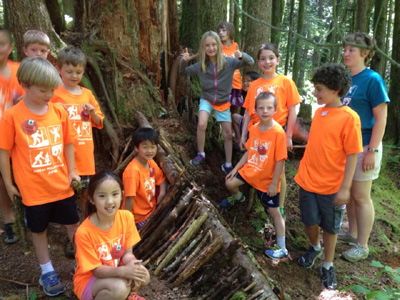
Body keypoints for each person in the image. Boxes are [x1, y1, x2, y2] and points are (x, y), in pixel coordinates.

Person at [0, 57, 81, 296]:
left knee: (72, 224)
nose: (49, 94)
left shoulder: (58, 111)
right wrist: (8, 182)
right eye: (43, 89)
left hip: (61, 185)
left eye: (52, 89)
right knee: (38, 229)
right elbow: (4, 153)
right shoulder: (11, 117)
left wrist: (72, 170)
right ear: (24, 84)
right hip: (33, 190)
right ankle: (47, 271)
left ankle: (82, 263)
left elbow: (68, 143)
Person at [294, 64, 363, 289]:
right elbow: (319, 141)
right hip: (307, 179)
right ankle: (315, 247)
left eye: (319, 89)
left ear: (336, 89)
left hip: (331, 186)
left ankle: (328, 265)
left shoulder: (349, 118)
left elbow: (353, 154)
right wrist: (302, 135)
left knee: (330, 227)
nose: (315, 93)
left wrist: (345, 188)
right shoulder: (319, 112)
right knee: (309, 221)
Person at [339, 32, 390, 262]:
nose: (346, 53)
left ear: (365, 53)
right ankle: (352, 234)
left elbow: (381, 118)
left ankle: (363, 245)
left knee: (361, 196)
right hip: (347, 147)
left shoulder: (372, 79)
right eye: (345, 49)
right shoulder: (347, 80)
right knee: (349, 194)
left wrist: (373, 149)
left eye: (351, 50)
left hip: (366, 145)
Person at [220, 92, 288, 259]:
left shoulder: (278, 132)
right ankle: (238, 198)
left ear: (275, 109)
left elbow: (280, 161)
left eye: (269, 108)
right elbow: (250, 151)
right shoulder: (254, 128)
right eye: (261, 108)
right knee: (230, 184)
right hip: (252, 170)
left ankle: (282, 247)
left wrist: (274, 183)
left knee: (274, 212)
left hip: (267, 178)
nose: (265, 111)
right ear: (255, 110)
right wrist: (236, 169)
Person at [241, 42, 301, 219]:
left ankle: (279, 207)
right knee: (254, 162)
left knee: (278, 167)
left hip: (277, 131)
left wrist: (288, 135)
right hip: (256, 131)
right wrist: (244, 134)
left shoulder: (285, 82)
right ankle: (253, 199)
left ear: (278, 60)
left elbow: (292, 110)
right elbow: (247, 111)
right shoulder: (254, 85)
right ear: (258, 62)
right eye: (263, 59)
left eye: (271, 58)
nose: (267, 62)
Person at [180, 31, 254, 174]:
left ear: (219, 46)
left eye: (214, 44)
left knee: (227, 134)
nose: (211, 48)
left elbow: (249, 61)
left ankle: (227, 164)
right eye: (207, 45)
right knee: (202, 123)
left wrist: (241, 55)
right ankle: (201, 153)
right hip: (207, 98)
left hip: (223, 102)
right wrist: (183, 61)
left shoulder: (229, 62)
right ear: (203, 47)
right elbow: (183, 72)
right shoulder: (201, 65)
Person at [74, 171, 150, 300]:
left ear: (122, 195)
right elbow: (96, 270)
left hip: (114, 272)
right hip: (90, 281)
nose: (110, 201)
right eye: (102, 196)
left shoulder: (126, 217)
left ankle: (128, 296)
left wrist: (132, 265)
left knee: (144, 275)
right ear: (92, 199)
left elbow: (127, 253)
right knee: (119, 288)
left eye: (115, 194)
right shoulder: (84, 232)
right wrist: (122, 272)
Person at [51, 46, 104, 217]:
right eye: (69, 71)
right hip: (62, 154)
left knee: (84, 190)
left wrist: (93, 113)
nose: (74, 76)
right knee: (65, 192)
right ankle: (68, 222)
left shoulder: (87, 94)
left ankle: (83, 219)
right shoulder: (53, 93)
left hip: (85, 154)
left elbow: (99, 122)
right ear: (58, 69)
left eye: (78, 72)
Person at [0, 28, 24, 244]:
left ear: (10, 48)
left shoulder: (18, 72)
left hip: (19, 137)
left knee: (21, 176)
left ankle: (27, 213)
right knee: (2, 179)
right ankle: (9, 221)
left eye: (1, 44)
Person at [122, 128, 167, 231]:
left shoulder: (150, 163)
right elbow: (129, 198)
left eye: (153, 147)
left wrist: (162, 193)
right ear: (136, 148)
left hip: (151, 211)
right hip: (138, 218)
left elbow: (161, 179)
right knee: (158, 231)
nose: (149, 151)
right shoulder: (133, 171)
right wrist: (127, 223)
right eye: (145, 147)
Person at [217, 21, 243, 115]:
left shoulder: (235, 45)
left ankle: (235, 129)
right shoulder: (217, 46)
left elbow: (239, 62)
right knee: (224, 112)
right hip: (223, 84)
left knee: (234, 111)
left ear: (230, 31)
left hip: (236, 82)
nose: (220, 33)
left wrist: (240, 57)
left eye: (224, 30)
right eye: (219, 31)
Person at [232, 71, 261, 149]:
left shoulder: (259, 96)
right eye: (244, 81)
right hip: (246, 123)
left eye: (249, 80)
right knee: (234, 116)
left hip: (256, 125)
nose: (245, 83)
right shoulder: (243, 95)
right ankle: (238, 140)